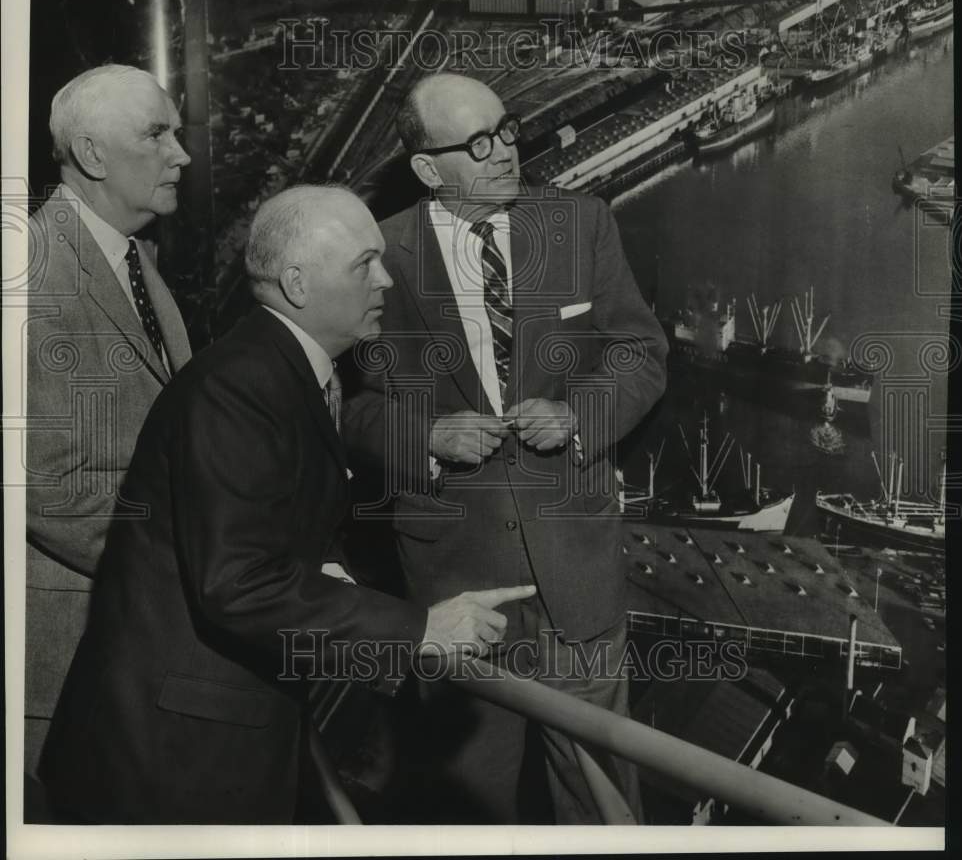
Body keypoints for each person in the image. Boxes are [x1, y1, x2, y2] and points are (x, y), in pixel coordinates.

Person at [40, 185, 535, 823]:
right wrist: (420, 629)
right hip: (172, 758)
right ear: (298, 284)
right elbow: (239, 584)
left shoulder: (281, 372)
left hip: (201, 736)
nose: (385, 280)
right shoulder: (239, 389)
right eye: (364, 264)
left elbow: (280, 536)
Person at [342, 73, 668, 823]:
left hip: (577, 581)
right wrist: (425, 435)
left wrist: (578, 415)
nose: (505, 152)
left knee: (602, 807)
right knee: (468, 809)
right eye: (478, 143)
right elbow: (346, 409)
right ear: (428, 169)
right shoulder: (379, 255)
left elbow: (640, 354)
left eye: (507, 130)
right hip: (456, 593)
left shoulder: (582, 222)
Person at [25, 64, 193, 799]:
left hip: (129, 641)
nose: (181, 154)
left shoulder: (132, 257)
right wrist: (203, 561)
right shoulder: (32, 272)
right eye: (157, 134)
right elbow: (47, 488)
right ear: (92, 155)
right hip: (66, 656)